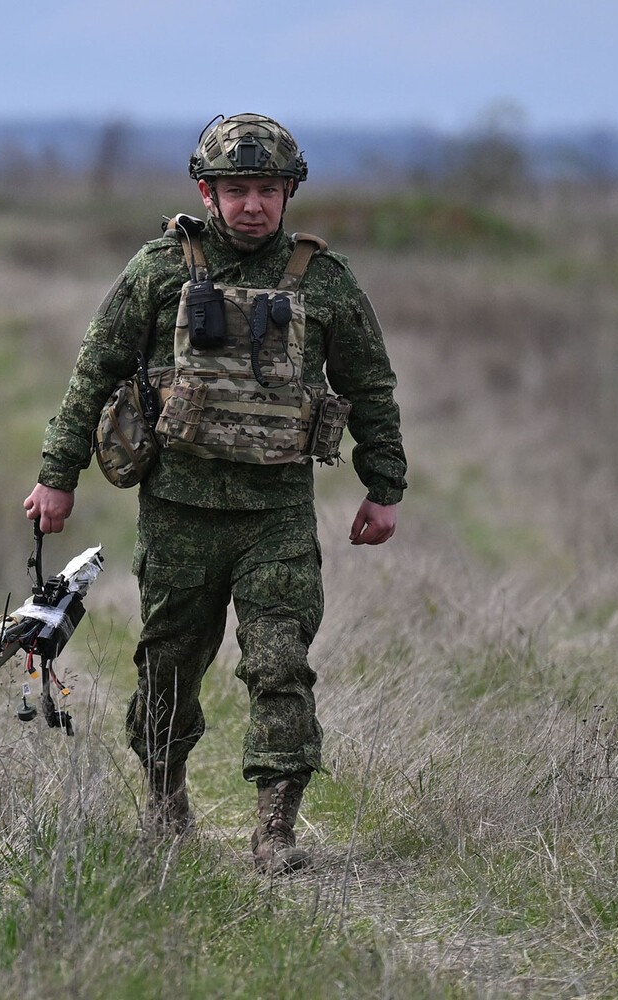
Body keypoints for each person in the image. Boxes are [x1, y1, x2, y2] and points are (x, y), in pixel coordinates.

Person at [23, 113, 406, 873]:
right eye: (236, 190)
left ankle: (276, 832)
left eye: (267, 189)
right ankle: (165, 805)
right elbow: (94, 371)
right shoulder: (160, 269)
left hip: (277, 517)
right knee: (166, 668)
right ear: (207, 191)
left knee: (280, 666)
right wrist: (56, 476)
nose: (252, 205)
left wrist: (384, 486)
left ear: (289, 192)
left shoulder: (325, 281)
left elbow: (370, 386)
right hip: (178, 512)